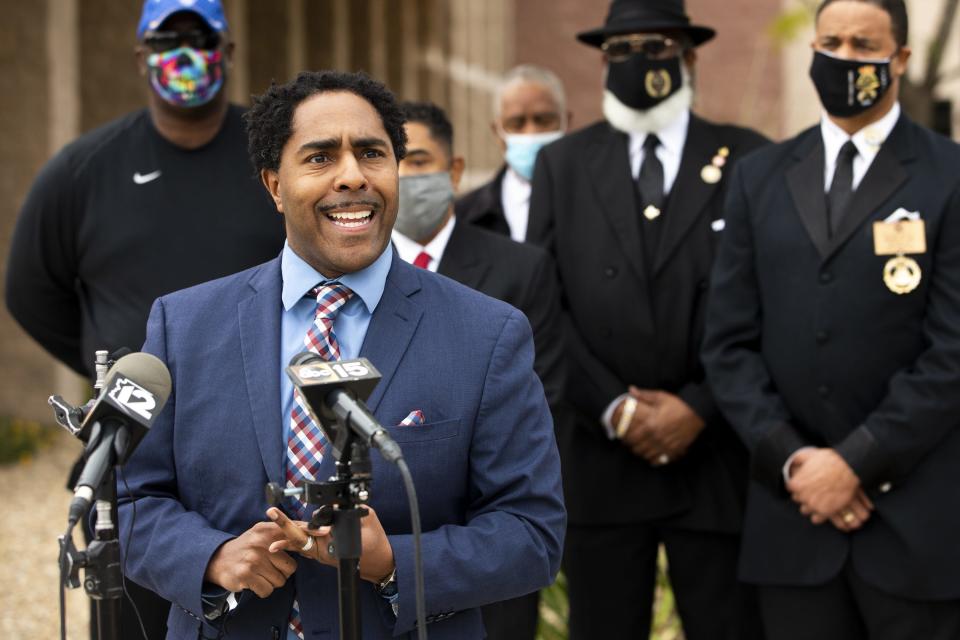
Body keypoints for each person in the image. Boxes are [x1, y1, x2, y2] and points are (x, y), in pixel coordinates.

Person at [116, 70, 566, 639]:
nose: (352, 176)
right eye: (321, 158)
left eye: (372, 154)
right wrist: (210, 558)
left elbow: (532, 532)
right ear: (274, 184)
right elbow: (128, 500)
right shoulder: (183, 326)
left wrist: (393, 561)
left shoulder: (487, 334)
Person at [4, 0, 285, 635]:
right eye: (167, 39)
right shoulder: (84, 168)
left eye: (201, 38)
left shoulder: (273, 160)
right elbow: (29, 289)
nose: (185, 54)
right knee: (131, 611)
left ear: (230, 51)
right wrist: (118, 368)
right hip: (133, 446)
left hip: (255, 443)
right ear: (141, 57)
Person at [702, 1, 960, 638]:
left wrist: (855, 463)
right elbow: (728, 346)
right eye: (831, 42)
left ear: (898, 58)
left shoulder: (949, 175)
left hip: (915, 529)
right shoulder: (757, 178)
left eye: (863, 44)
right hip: (793, 525)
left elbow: (952, 352)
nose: (844, 58)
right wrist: (796, 463)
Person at [526, 0, 769, 638]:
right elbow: (542, 307)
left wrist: (701, 408)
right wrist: (618, 410)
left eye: (655, 48)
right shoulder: (563, 165)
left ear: (689, 58)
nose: (637, 64)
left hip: (715, 454)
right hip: (602, 456)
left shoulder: (749, 159)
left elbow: (770, 304)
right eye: (620, 51)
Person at [393, 100, 565, 639]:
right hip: (382, 543)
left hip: (487, 534)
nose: (403, 176)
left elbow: (547, 391)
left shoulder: (520, 267)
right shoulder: (355, 275)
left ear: (455, 170)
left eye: (417, 160)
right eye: (390, 159)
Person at [455, 65, 570, 241]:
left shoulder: (597, 203)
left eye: (544, 120)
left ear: (566, 122)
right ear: (497, 131)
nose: (531, 133)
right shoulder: (465, 215)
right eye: (517, 123)